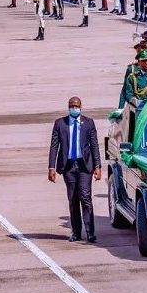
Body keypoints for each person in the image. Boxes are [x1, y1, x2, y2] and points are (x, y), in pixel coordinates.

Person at [48, 96, 102, 243]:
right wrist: (51, 167)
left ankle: (90, 232)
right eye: (71, 106)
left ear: (81, 106)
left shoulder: (88, 123)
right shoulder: (60, 124)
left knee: (85, 197)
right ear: (68, 107)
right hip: (69, 166)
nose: (74, 108)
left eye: (76, 106)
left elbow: (94, 145)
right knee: (73, 199)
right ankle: (76, 232)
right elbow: (54, 146)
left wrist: (98, 166)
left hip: (85, 165)